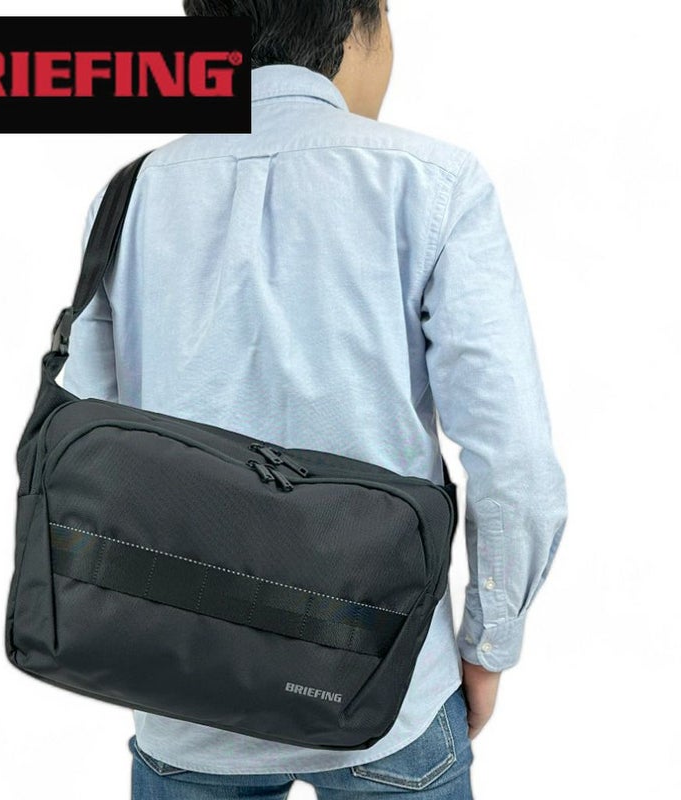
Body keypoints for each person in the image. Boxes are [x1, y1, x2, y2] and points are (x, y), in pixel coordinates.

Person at [60, 1, 568, 797]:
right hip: (389, 689)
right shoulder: (434, 182)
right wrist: (486, 647)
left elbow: (93, 453)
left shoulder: (128, 197)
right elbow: (518, 465)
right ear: (361, 20)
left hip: (184, 695)